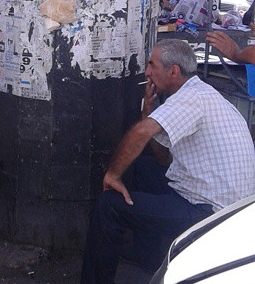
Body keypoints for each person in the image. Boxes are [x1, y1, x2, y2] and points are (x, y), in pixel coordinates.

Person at [81, 39, 255, 284]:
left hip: (210, 214)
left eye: (152, 65)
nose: (147, 72)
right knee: (144, 167)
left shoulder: (190, 99)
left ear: (173, 71)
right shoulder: (200, 93)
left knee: (108, 205)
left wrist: (112, 175)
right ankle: (148, 257)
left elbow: (140, 133)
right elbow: (162, 158)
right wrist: (148, 112)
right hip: (226, 204)